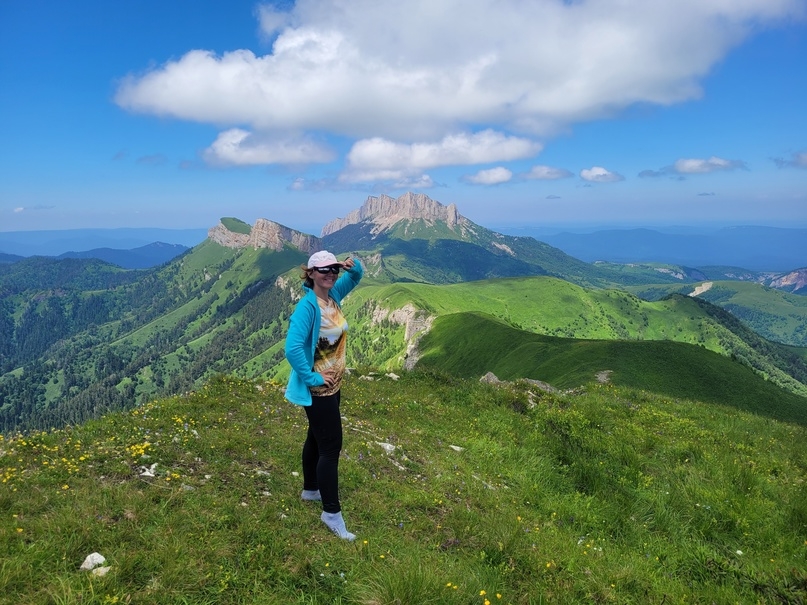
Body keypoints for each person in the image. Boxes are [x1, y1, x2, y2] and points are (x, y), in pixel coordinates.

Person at [284, 250, 364, 540]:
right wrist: (313, 377)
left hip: (334, 386)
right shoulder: (308, 307)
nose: (330, 274)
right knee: (331, 449)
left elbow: (357, 276)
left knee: (316, 437)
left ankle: (310, 489)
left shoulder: (333, 297)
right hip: (319, 389)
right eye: (323, 270)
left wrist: (348, 266)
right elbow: (292, 348)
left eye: (333, 270)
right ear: (311, 274)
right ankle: (331, 514)